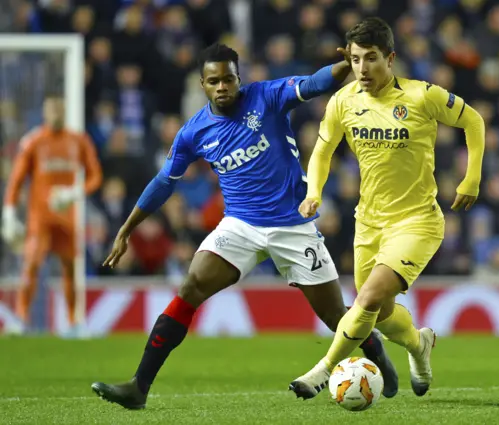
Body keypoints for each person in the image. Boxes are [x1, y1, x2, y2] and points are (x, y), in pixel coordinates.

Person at [91, 43, 398, 410]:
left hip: (292, 225)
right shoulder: (193, 132)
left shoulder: (267, 96)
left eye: (228, 79)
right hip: (239, 225)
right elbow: (163, 182)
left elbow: (315, 83)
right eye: (213, 81)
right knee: (190, 287)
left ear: (239, 78)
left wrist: (350, 62)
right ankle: (138, 387)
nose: (222, 86)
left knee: (335, 316)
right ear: (203, 84)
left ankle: (375, 348)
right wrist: (127, 228)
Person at [289, 17, 485, 399]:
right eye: (357, 59)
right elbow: (322, 151)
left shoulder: (422, 96)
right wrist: (314, 191)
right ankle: (419, 345)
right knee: (378, 311)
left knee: (367, 299)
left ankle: (322, 372)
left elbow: (473, 121)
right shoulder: (343, 101)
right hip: (369, 223)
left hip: (417, 222)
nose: (362, 68)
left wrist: (472, 178)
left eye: (371, 58)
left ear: (390, 58)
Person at [1, 96, 103, 336]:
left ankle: (74, 323)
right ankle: (20, 319)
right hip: (40, 219)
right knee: (32, 264)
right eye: (51, 110)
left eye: (59, 109)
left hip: (67, 218)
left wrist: (75, 192)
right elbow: (16, 179)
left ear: (65, 111)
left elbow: (95, 176)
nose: (55, 114)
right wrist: (8, 210)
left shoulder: (78, 141)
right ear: (44, 113)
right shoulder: (34, 141)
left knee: (69, 268)